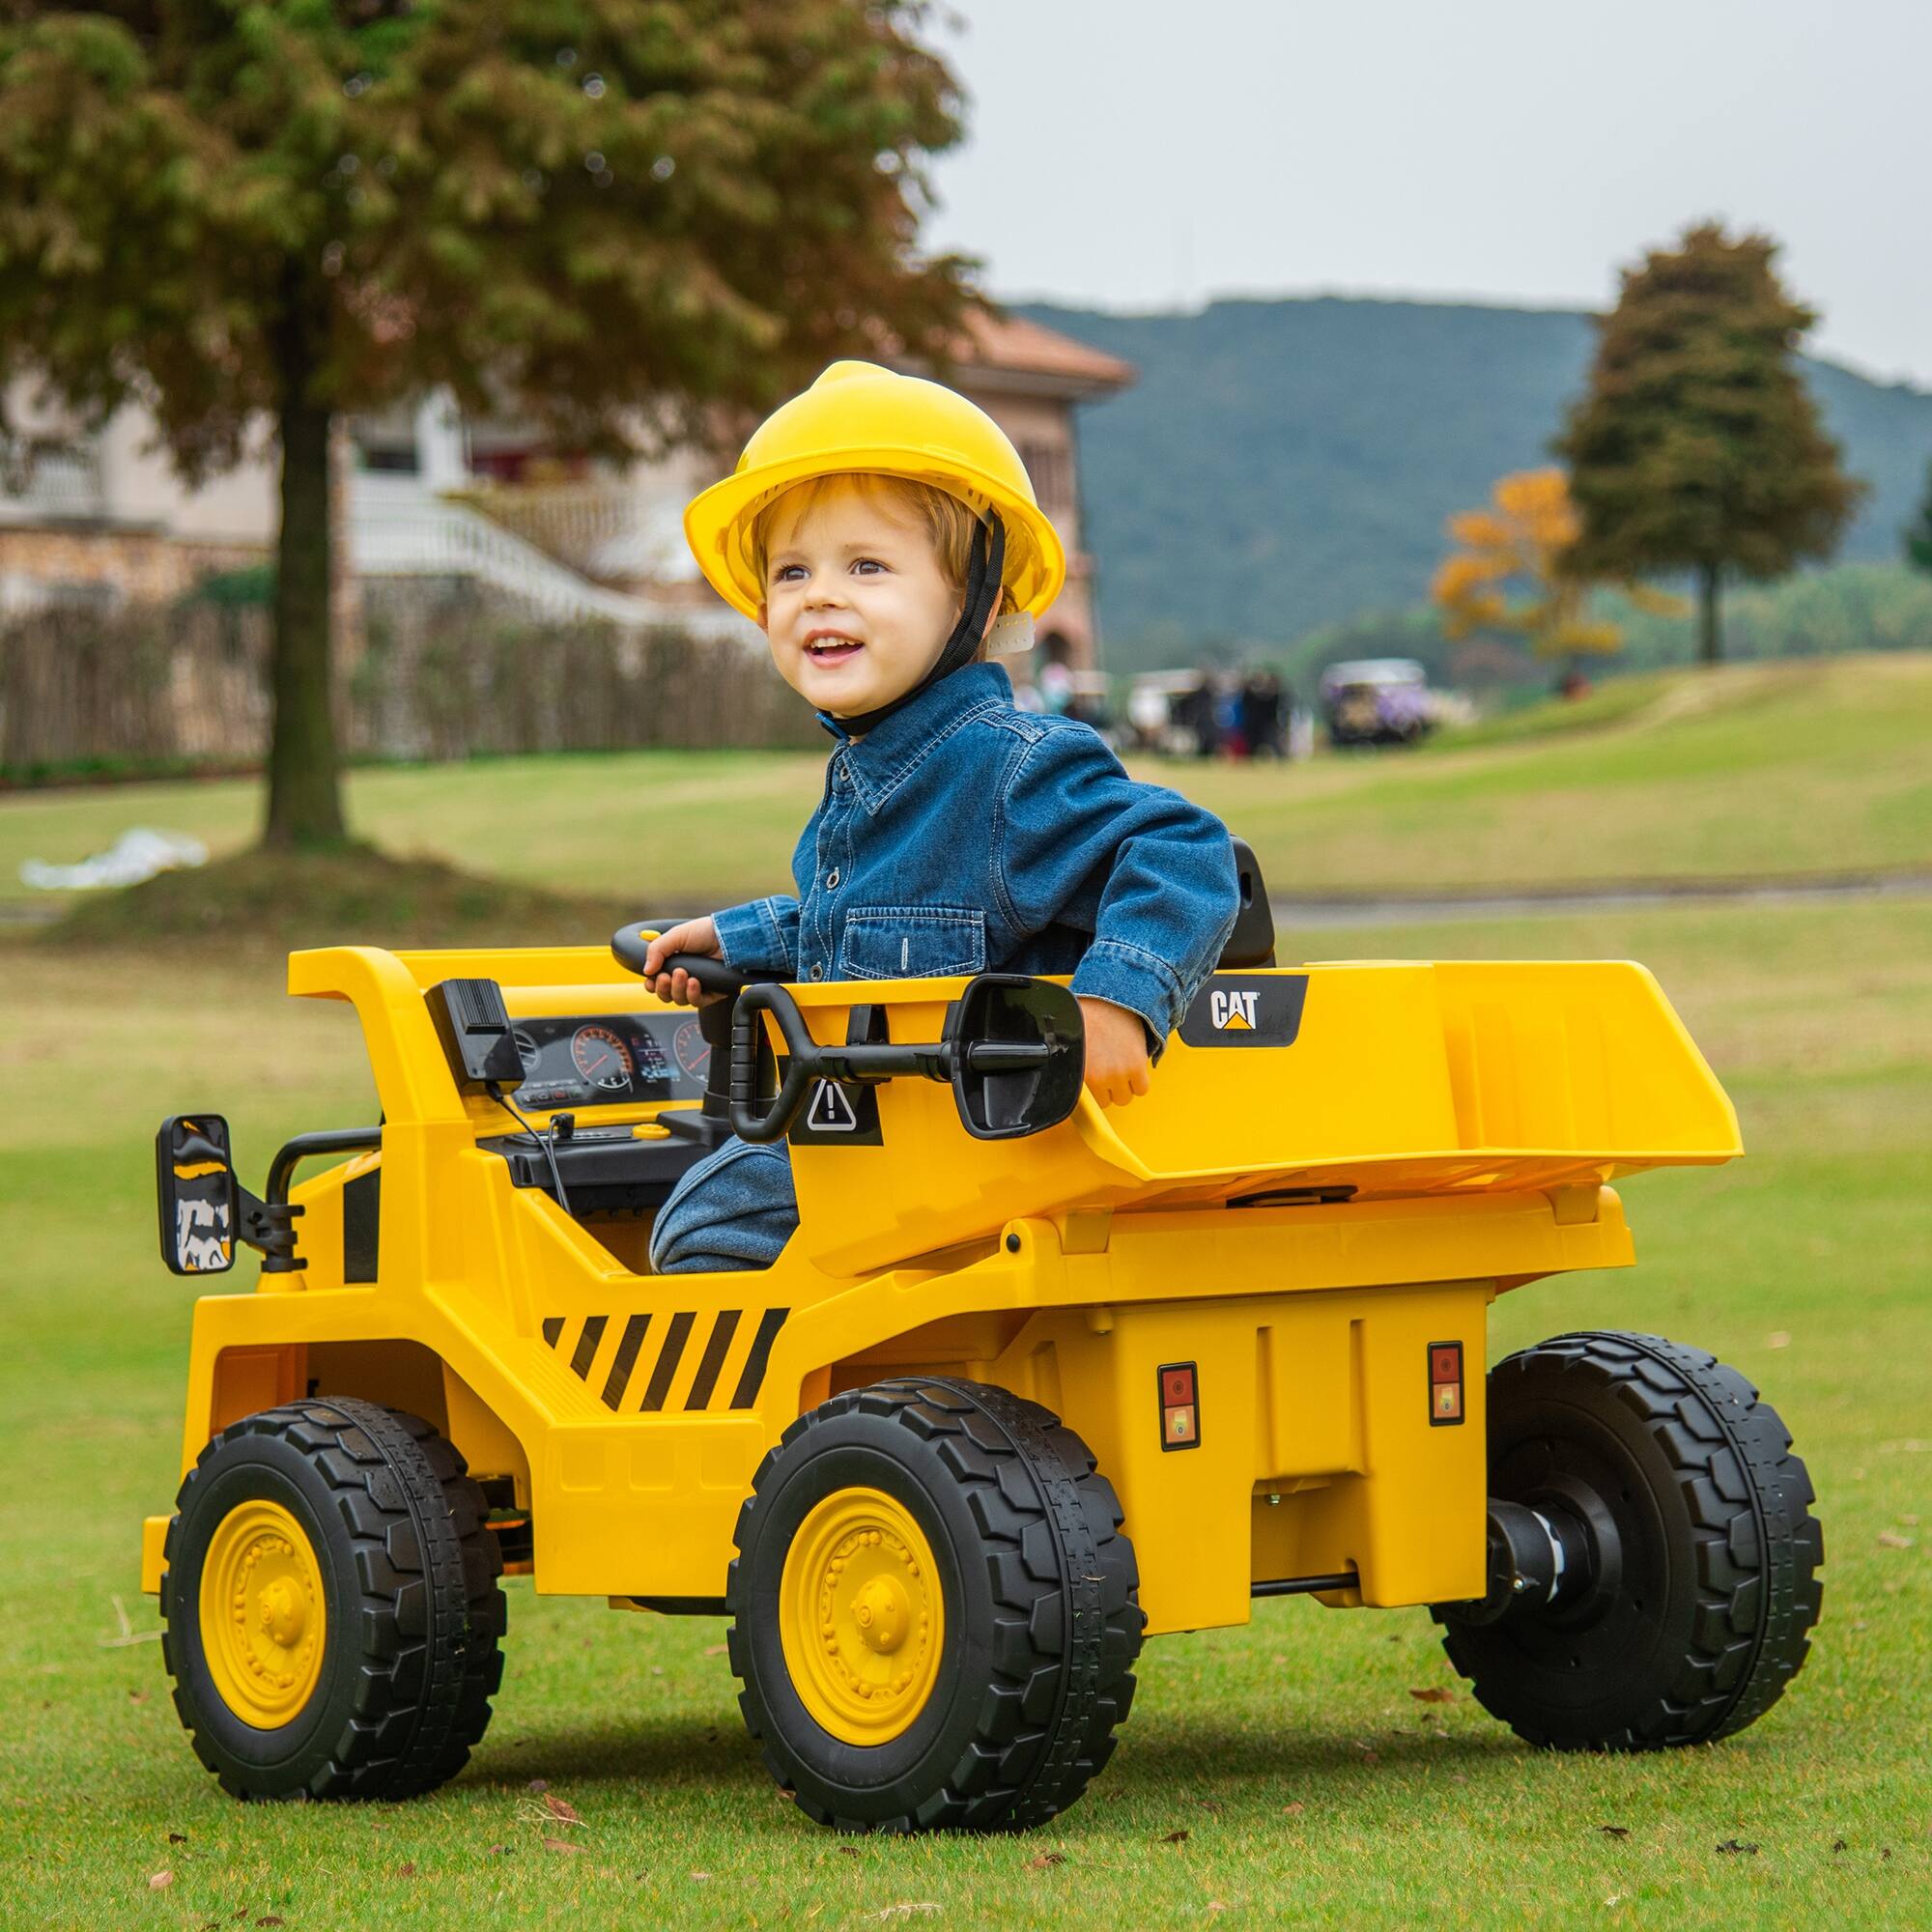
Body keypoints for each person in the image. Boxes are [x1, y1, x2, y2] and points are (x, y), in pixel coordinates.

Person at [639, 360, 1239, 1273]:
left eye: (867, 566)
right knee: (704, 1197)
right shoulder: (867, 776)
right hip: (890, 1142)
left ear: (980, 600)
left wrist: (1116, 1002)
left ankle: (749, 1419)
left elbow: (1186, 850)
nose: (820, 595)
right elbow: (893, 929)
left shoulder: (1013, 766)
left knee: (703, 1227)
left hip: (969, 1152)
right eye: (791, 570)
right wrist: (745, 935)